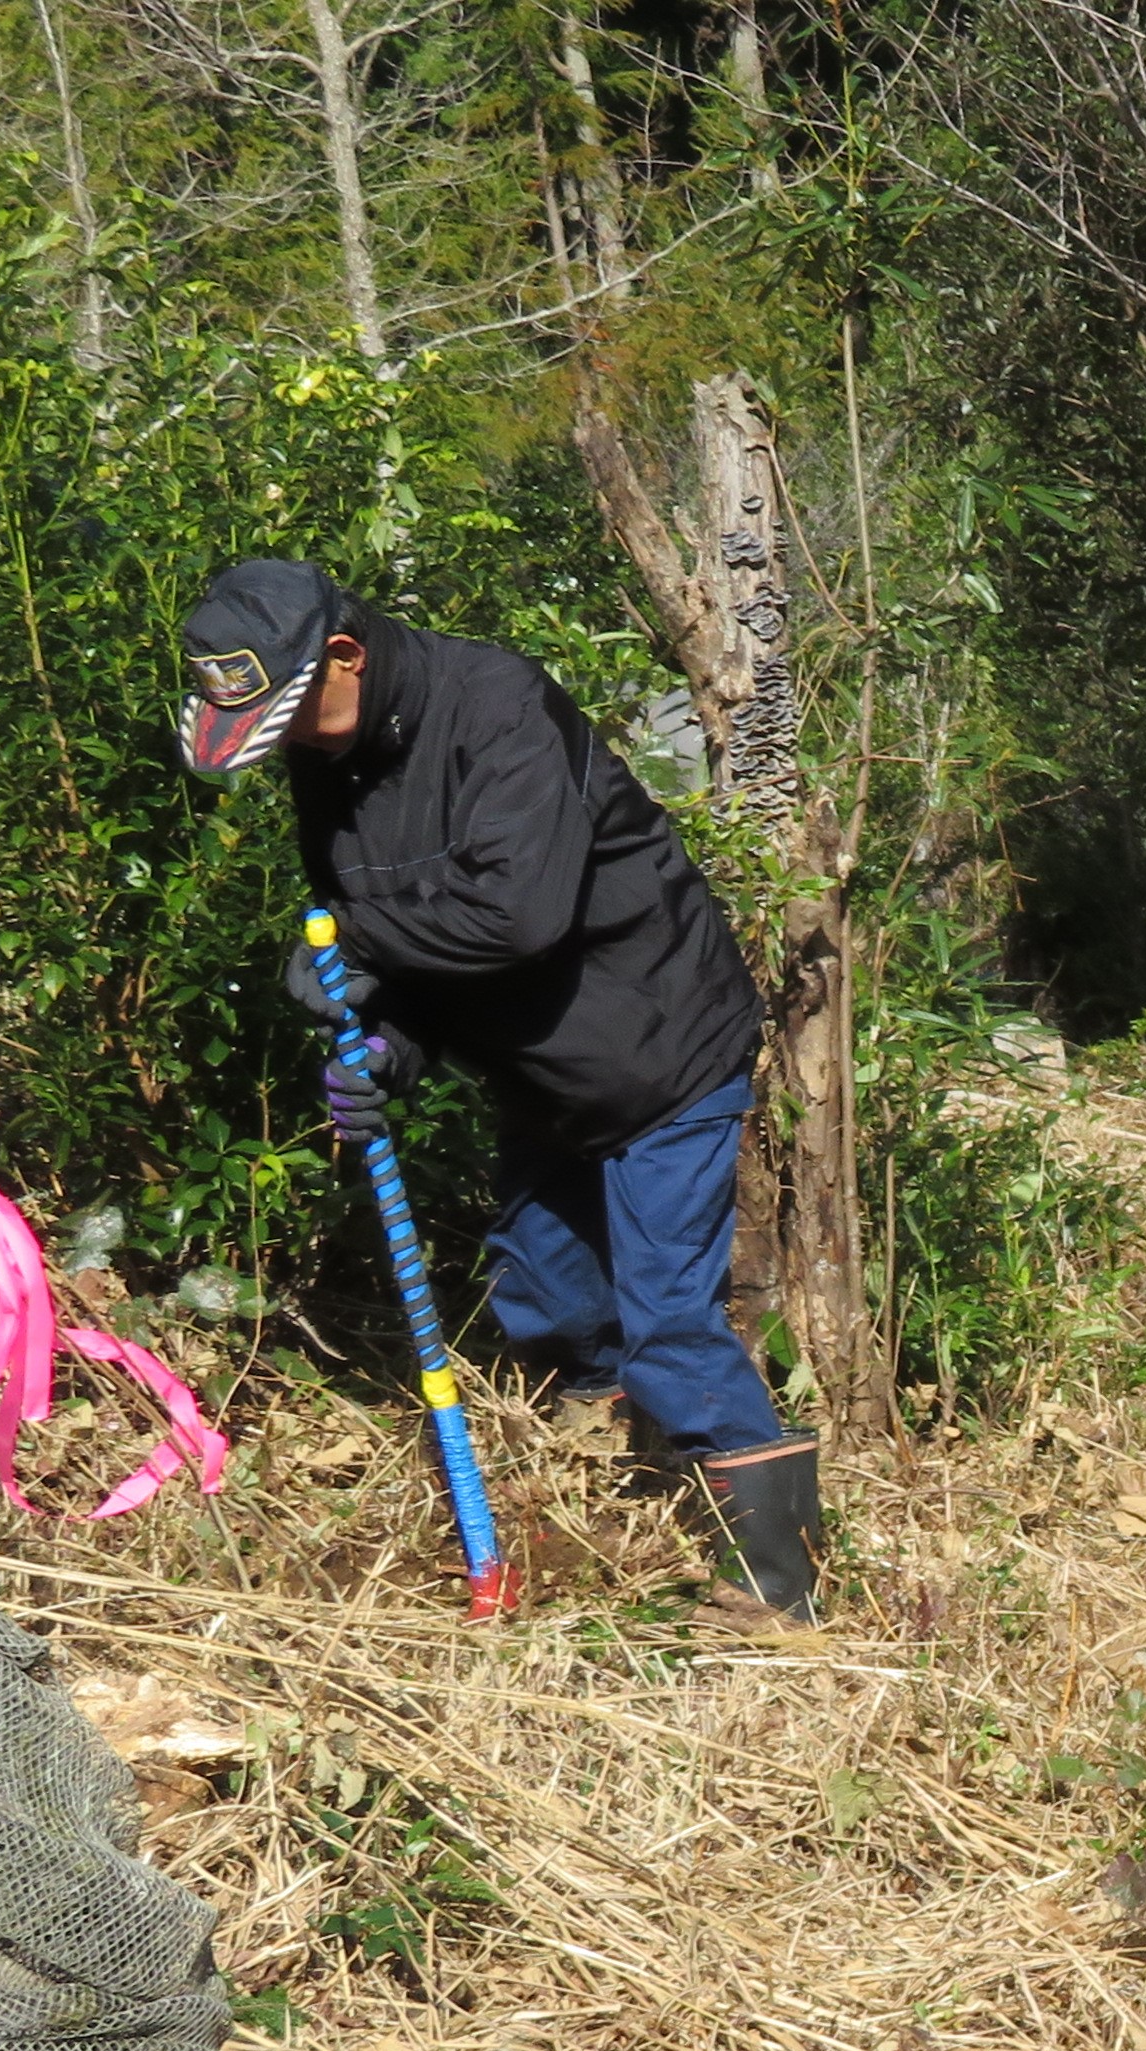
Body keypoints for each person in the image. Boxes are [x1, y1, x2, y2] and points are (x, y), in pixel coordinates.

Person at [179, 557, 825, 1622]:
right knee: (547, 1292)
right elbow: (410, 961)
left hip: (662, 1047)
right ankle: (621, 1466)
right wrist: (383, 1048)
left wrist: (351, 938)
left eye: (292, 713)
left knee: (668, 1321)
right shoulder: (326, 756)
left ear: (345, 654)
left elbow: (519, 916)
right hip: (539, 1065)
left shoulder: (497, 706)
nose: (287, 739)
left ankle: (777, 1580)